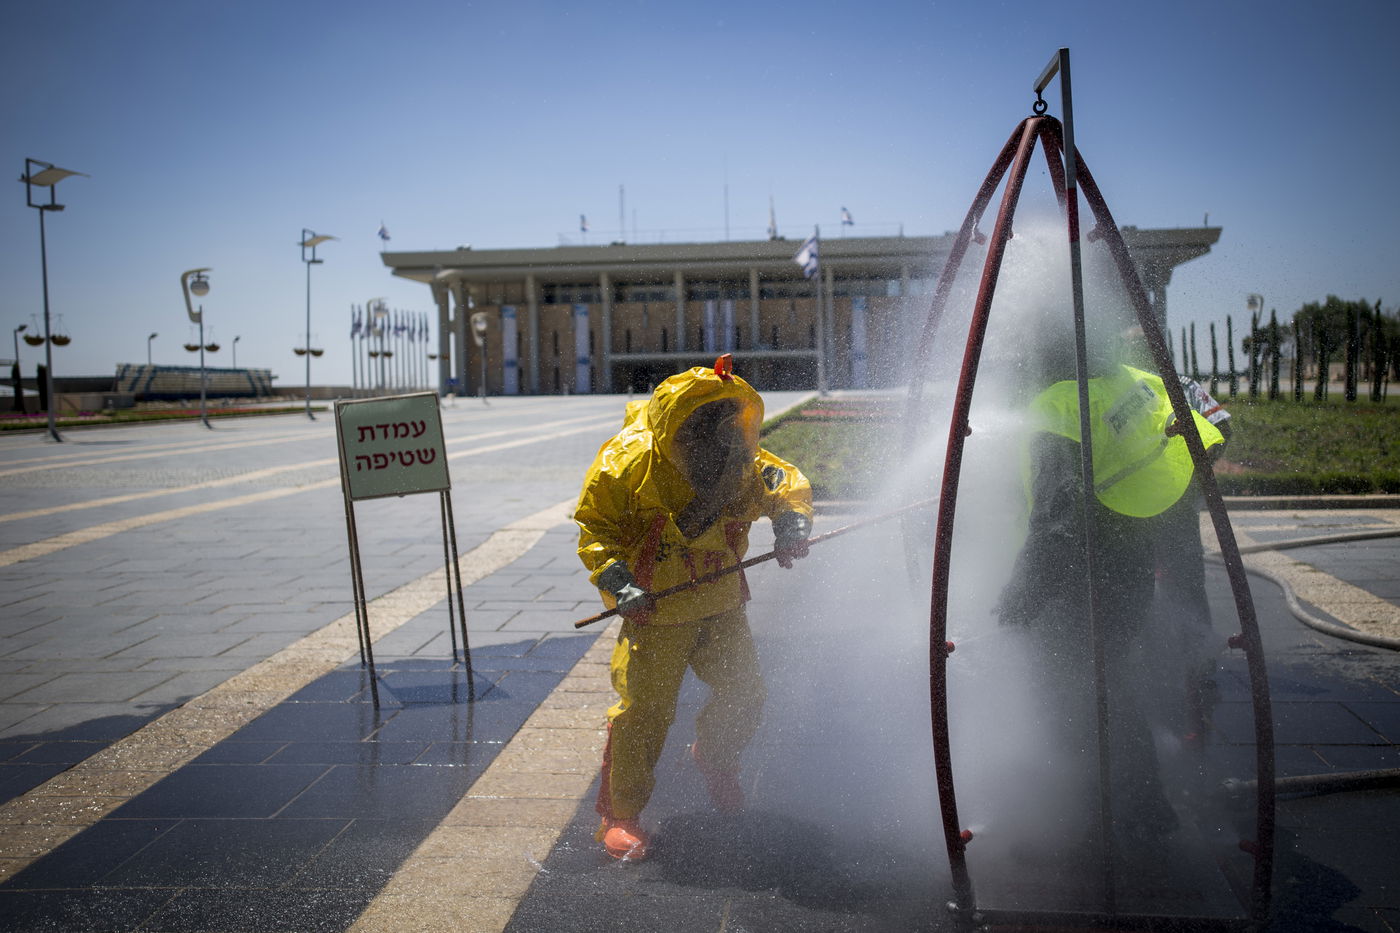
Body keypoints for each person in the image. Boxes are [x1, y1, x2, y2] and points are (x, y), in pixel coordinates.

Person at [574, 354, 813, 861]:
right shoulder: (627, 464)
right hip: (656, 612)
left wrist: (791, 524)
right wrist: (619, 584)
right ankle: (621, 815)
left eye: (729, 424)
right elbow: (596, 529)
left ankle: (716, 758)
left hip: (719, 603)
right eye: (704, 426)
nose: (719, 438)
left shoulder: (739, 461)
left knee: (744, 691)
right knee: (643, 712)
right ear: (676, 429)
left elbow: (782, 483)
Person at [996, 336, 1224, 840]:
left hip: (1083, 570)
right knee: (1111, 674)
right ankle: (1134, 798)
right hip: (1133, 551)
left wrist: (1023, 594)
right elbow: (1217, 431)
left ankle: (1122, 807)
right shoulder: (1141, 383)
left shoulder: (1061, 404)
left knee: (1082, 686)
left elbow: (1056, 520)